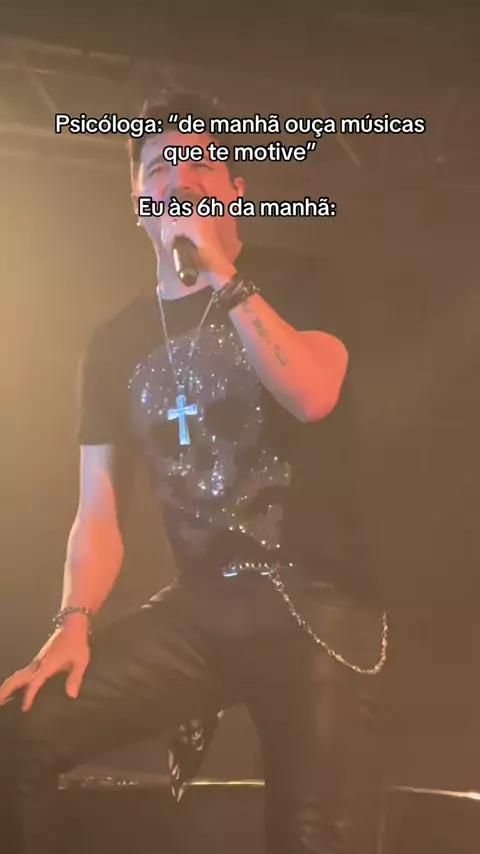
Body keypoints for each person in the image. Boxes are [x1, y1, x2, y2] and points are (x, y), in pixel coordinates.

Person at [0, 93, 388, 853]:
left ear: (236, 188)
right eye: (158, 167)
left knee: (312, 838)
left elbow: (312, 393)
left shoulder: (305, 280)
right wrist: (71, 621)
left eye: (199, 161)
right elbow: (98, 511)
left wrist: (221, 275)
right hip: (203, 609)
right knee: (22, 733)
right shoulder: (115, 342)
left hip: (318, 606)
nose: (179, 177)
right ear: (137, 200)